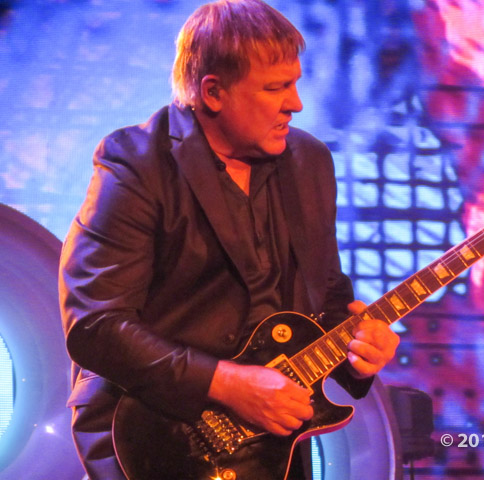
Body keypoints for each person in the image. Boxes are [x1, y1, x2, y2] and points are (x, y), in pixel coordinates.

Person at [58, 1, 400, 479]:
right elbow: (95, 324)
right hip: (153, 437)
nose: (296, 104)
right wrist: (228, 385)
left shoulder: (310, 161)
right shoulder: (136, 162)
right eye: (275, 88)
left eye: (295, 83)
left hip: (272, 442)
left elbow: (326, 298)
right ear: (213, 92)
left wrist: (360, 352)